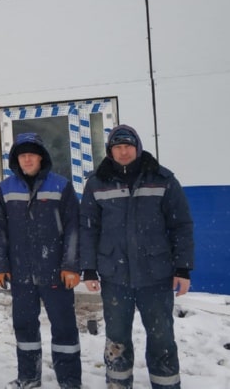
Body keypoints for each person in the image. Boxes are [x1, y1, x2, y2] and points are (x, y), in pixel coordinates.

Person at [79, 124, 194, 389]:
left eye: (128, 146)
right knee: (117, 338)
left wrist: (183, 268)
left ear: (138, 148)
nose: (123, 152)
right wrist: (88, 269)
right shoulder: (97, 182)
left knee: (162, 337)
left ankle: (166, 384)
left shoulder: (162, 179)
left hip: (156, 275)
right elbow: (88, 228)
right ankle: (118, 383)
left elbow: (181, 225)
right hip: (114, 276)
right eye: (118, 147)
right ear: (110, 151)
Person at [0, 132, 82, 389]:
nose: (27, 160)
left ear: (41, 157)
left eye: (31, 155)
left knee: (64, 328)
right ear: (16, 160)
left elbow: (74, 228)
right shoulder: (5, 189)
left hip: (56, 272)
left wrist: (71, 266)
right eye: (22, 155)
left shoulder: (61, 186)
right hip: (21, 273)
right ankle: (29, 376)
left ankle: (69, 380)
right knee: (24, 327)